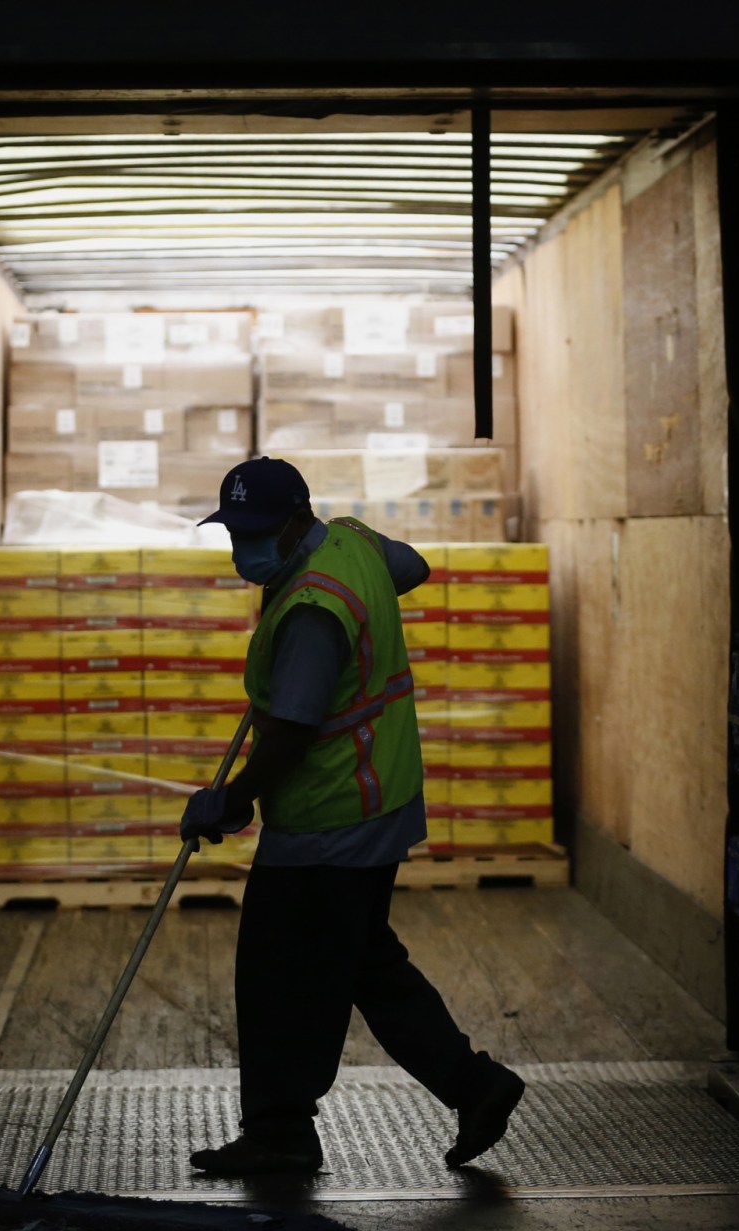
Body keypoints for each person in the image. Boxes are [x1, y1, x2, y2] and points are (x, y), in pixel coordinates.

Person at [179, 456, 525, 1177]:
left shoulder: (311, 608)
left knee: (275, 970)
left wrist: (232, 800)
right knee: (364, 960)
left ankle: (280, 1131)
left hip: (329, 817)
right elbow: (415, 565)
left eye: (255, 532)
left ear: (297, 520)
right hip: (382, 800)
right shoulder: (355, 544)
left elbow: (295, 729)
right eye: (235, 532)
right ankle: (477, 1085)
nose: (244, 548)